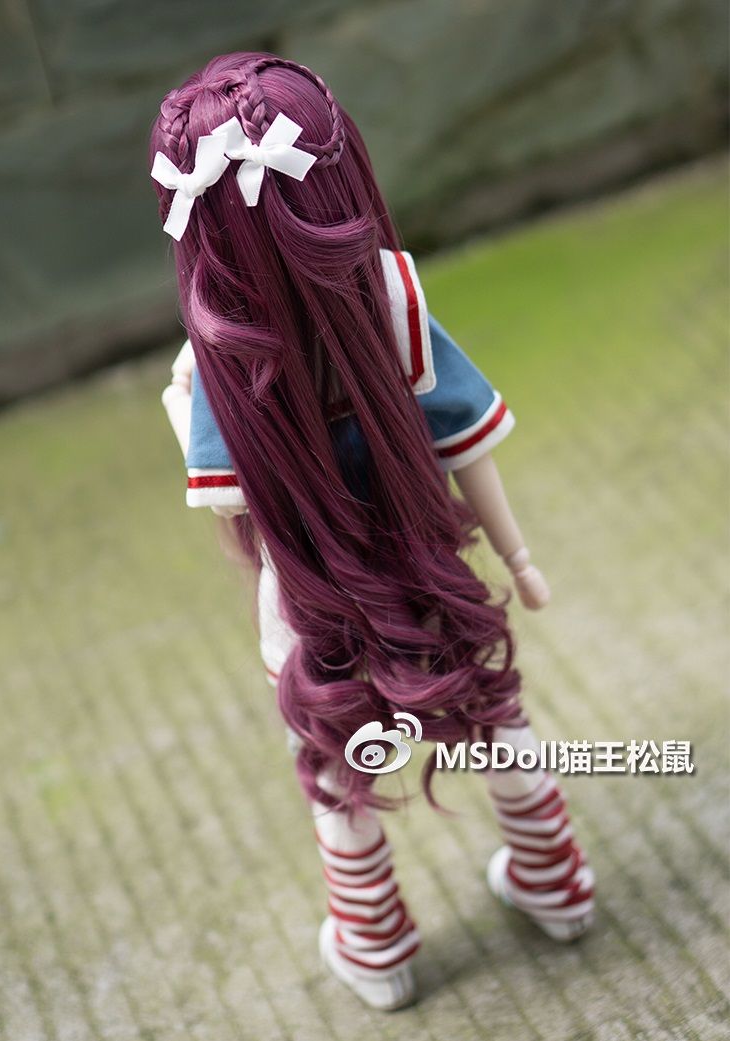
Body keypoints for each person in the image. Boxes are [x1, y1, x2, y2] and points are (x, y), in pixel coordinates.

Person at [152, 52, 595, 1011]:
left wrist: (180, 406)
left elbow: (231, 506)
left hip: (308, 594)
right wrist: (515, 556)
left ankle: (376, 942)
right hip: (423, 561)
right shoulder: (389, 295)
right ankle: (556, 882)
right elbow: (466, 440)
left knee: (333, 758)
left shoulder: (221, 361)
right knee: (491, 712)